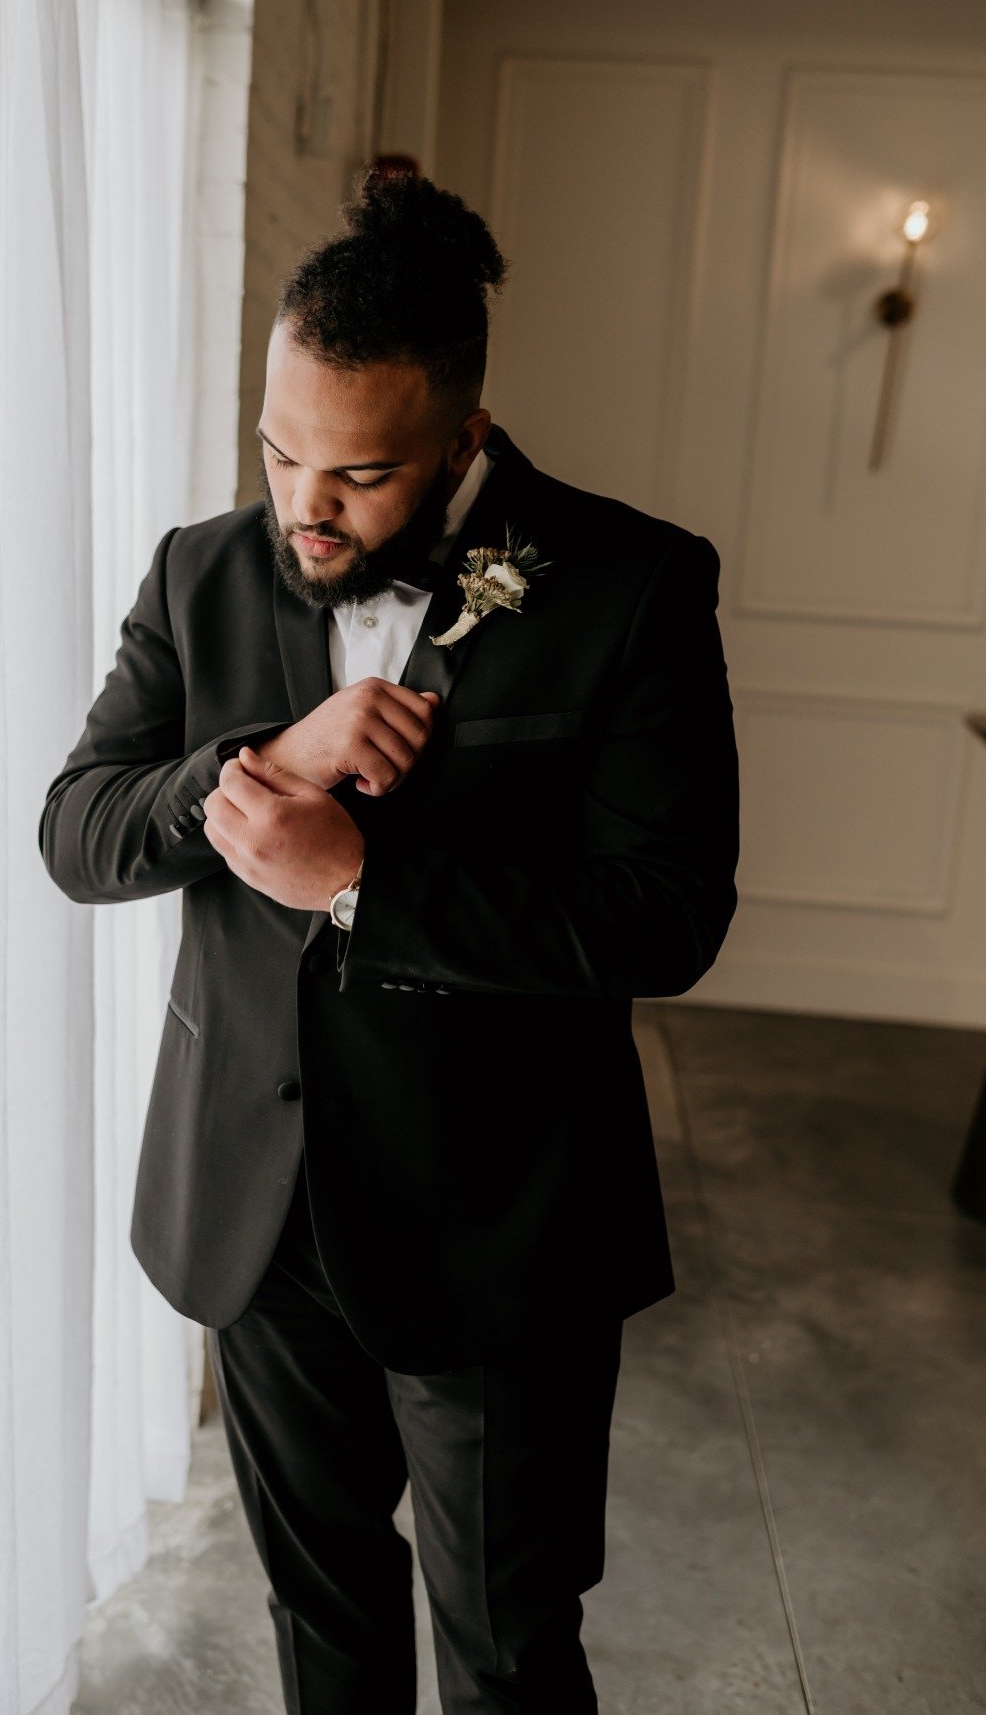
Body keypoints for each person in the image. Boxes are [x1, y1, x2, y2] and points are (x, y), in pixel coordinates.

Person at [39, 166, 740, 1714]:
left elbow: (670, 915)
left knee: (503, 1645)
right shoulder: (199, 570)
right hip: (259, 1207)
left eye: (357, 477)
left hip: (498, 1221)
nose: (303, 505)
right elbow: (77, 832)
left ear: (465, 437)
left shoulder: (631, 588)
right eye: (279, 450)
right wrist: (267, 762)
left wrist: (360, 878)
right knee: (321, 1620)